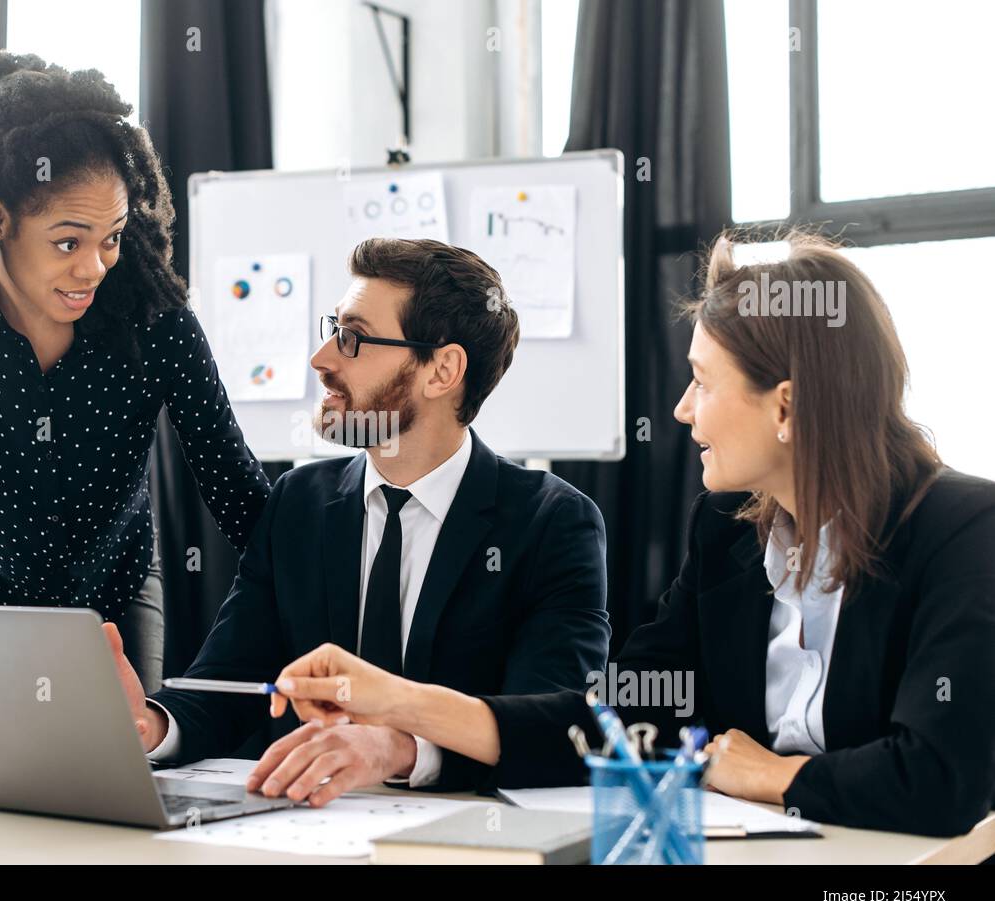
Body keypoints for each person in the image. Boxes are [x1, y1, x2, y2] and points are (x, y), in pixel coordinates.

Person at [268, 230, 995, 837]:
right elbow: (613, 717)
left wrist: (776, 775)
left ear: (786, 409)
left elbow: (939, 777)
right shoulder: (729, 533)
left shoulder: (963, 532)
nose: (682, 411)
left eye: (703, 384)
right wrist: (395, 701)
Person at [105, 237, 610, 805]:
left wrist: (402, 748)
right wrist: (150, 724)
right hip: (306, 835)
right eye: (332, 329)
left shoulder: (551, 524)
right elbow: (228, 684)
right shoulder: (299, 504)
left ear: (442, 370)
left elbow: (558, 729)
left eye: (353, 338)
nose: (322, 359)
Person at [0, 52, 270, 691]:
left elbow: (232, 481)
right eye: (69, 242)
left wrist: (316, 569)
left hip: (115, 585)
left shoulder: (156, 321)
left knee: (117, 763)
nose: (95, 267)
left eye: (112, 237)